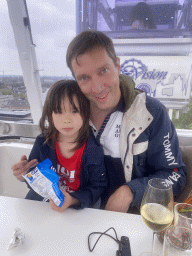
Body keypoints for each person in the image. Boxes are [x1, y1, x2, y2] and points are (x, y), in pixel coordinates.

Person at [12, 30, 186, 213]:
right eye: (84, 78)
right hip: (64, 211)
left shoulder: (151, 113)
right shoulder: (69, 112)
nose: (97, 88)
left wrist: (130, 191)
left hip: (119, 218)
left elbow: (175, 175)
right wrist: (28, 173)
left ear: (117, 66)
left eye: (103, 70)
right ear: (76, 79)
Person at [23, 79, 107, 212]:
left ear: (86, 113)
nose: (67, 119)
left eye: (74, 111)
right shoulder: (42, 143)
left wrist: (73, 200)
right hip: (42, 204)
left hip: (76, 207)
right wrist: (23, 174)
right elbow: (33, 178)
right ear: (50, 114)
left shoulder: (93, 150)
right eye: (59, 111)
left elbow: (98, 187)